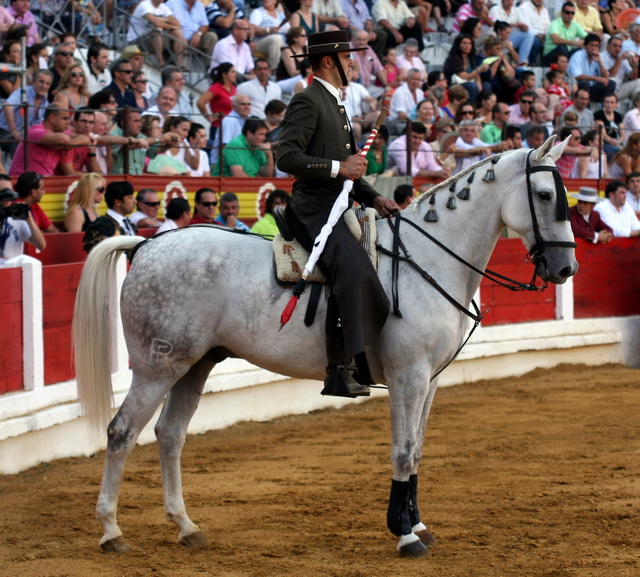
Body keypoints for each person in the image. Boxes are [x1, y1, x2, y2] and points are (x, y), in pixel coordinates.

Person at [276, 30, 399, 398]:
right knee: (353, 267)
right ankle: (338, 369)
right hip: (313, 207)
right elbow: (286, 157)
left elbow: (351, 172)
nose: (352, 61)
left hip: (337, 203)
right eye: (347, 56)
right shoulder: (307, 100)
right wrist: (336, 167)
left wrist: (375, 197)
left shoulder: (336, 103)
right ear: (328, 60)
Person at [9, 104, 91, 177]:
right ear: (52, 118)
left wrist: (66, 145)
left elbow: (85, 138)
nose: (68, 123)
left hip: (43, 181)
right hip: (22, 181)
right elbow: (64, 139)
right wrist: (66, 145)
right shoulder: (34, 131)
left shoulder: (60, 133)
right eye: (65, 118)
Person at [0, 68, 51, 161]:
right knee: (18, 141)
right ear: (33, 82)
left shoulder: (45, 103)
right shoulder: (23, 92)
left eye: (47, 83)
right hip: (4, 133)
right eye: (41, 82)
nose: (44, 86)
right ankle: (18, 172)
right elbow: (7, 106)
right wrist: (13, 130)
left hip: (26, 136)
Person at [128, 0, 185, 68]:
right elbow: (157, 23)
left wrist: (166, 19)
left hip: (151, 39)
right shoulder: (145, 5)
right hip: (137, 41)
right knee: (158, 29)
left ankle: (178, 64)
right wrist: (172, 26)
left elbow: (178, 23)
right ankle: (160, 62)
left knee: (177, 32)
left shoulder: (163, 7)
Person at [0, 184, 46, 261]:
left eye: (9, 199)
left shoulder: (18, 219)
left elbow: (41, 245)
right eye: (3, 199)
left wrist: (29, 219)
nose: (6, 202)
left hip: (12, 269)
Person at [567, 33, 615, 103]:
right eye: (591, 45)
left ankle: (605, 106)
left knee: (611, 83)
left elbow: (605, 78)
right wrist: (595, 78)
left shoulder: (598, 57)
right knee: (584, 83)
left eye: (596, 46)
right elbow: (577, 76)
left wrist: (600, 62)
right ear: (585, 46)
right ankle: (586, 105)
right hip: (576, 86)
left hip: (591, 88)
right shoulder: (577, 56)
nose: (594, 48)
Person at [197, 62, 237, 141]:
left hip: (232, 126)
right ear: (224, 75)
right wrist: (209, 117)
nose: (235, 74)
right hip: (219, 127)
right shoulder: (216, 88)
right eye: (232, 72)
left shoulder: (233, 87)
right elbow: (200, 102)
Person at [488, 0, 535, 67]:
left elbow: (523, 23)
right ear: (502, 1)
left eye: (512, 0)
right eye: (508, 0)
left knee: (529, 34)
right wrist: (514, 25)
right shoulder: (495, 9)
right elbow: (497, 25)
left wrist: (524, 27)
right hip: (497, 37)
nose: (510, 2)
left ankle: (522, 62)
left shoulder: (517, 10)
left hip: (510, 37)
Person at [543, 1, 587, 66]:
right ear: (562, 13)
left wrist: (585, 42)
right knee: (562, 47)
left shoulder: (575, 25)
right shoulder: (555, 23)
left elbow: (588, 38)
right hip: (551, 56)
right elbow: (556, 40)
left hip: (565, 54)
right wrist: (576, 43)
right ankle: (566, 68)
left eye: (572, 13)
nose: (570, 15)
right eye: (567, 12)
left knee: (580, 51)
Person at [599, 34, 640, 103]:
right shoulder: (601, 56)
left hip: (619, 90)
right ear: (607, 47)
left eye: (620, 46)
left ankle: (636, 106)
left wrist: (635, 64)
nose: (617, 48)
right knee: (612, 80)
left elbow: (633, 77)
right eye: (615, 45)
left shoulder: (622, 57)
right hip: (606, 91)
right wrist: (619, 61)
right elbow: (610, 76)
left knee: (639, 82)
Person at [247, 0, 286, 72]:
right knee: (276, 39)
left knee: (306, 42)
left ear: (275, 1)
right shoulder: (258, 12)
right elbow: (252, 28)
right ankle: (273, 70)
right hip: (261, 42)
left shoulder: (280, 15)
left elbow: (288, 30)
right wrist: (268, 30)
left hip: (282, 41)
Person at [518, 0, 551, 65]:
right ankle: (532, 63)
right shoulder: (523, 8)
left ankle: (548, 65)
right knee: (535, 41)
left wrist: (545, 35)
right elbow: (527, 27)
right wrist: (539, 35)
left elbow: (548, 27)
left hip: (543, 36)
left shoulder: (544, 10)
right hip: (530, 35)